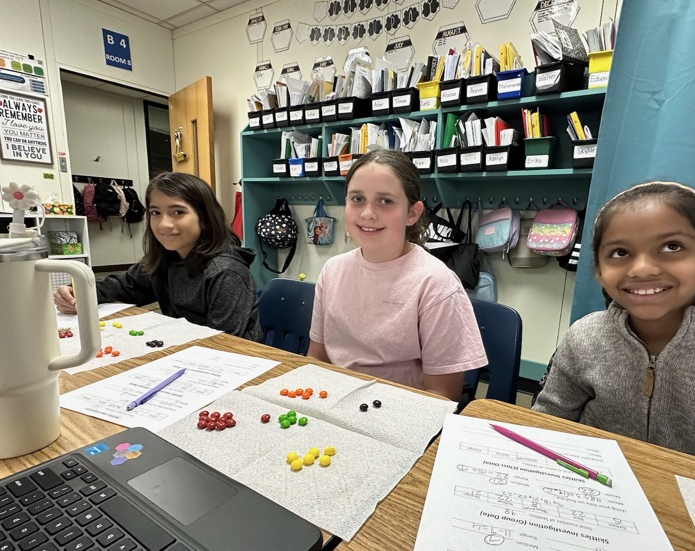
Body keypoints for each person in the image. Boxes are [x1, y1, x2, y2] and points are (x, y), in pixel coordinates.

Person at [533, 181, 695, 469]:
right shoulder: (584, 336)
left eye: (672, 247)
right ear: (598, 269)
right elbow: (546, 424)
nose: (642, 269)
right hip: (596, 491)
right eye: (621, 253)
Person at [307, 149, 487, 401]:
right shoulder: (333, 270)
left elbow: (441, 395)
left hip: (400, 411)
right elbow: (317, 358)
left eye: (386, 201)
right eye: (357, 199)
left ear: (412, 213)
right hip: (334, 400)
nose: (367, 213)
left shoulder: (435, 284)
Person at [53, 172, 261, 341]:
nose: (164, 224)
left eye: (178, 212)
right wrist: (77, 292)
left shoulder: (225, 272)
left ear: (205, 218)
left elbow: (225, 344)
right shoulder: (165, 258)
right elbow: (123, 285)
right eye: (156, 213)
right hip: (185, 350)